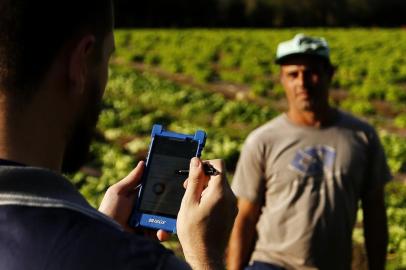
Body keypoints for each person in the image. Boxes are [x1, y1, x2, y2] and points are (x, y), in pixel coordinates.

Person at [0, 1, 237, 269]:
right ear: (80, 63)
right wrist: (206, 254)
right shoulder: (135, 261)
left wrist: (103, 226)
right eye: (106, 58)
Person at [227, 33, 391, 270]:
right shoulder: (263, 140)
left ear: (329, 74)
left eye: (311, 72)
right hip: (272, 263)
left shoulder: (362, 136)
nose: (302, 83)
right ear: (282, 79)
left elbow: (375, 211)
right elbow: (245, 216)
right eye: (293, 74)